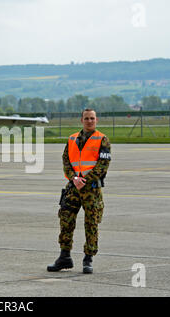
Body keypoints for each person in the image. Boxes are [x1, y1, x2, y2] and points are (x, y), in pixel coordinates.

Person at [47, 108, 111, 274]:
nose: (90, 121)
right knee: (66, 220)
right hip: (73, 187)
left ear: (96, 120)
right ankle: (64, 256)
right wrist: (73, 178)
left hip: (92, 189)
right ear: (81, 120)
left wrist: (85, 180)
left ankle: (88, 258)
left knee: (91, 224)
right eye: (87, 118)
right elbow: (66, 161)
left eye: (92, 118)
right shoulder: (72, 139)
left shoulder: (102, 139)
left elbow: (103, 166)